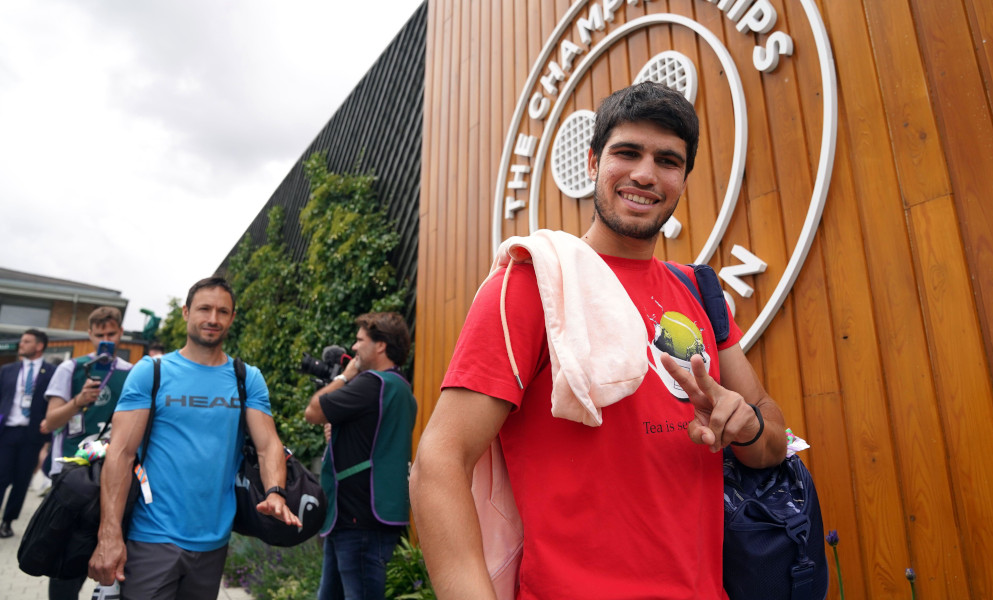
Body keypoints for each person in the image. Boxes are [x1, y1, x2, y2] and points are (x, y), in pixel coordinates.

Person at [409, 82, 789, 599]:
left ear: (683, 180)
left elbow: (769, 439)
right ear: (592, 163)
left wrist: (744, 425)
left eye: (668, 160)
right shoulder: (534, 284)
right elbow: (440, 460)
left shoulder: (697, 290)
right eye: (627, 152)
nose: (645, 174)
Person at [88, 277, 300, 600]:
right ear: (186, 312)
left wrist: (275, 492)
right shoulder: (152, 372)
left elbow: (268, 444)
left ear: (231, 318)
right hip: (152, 537)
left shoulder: (247, 378)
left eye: (222, 311)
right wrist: (109, 535)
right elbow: (121, 453)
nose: (213, 319)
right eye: (204, 309)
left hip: (214, 542)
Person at [304, 312, 417, 600]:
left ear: (380, 345)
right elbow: (374, 439)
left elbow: (313, 411)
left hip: (358, 517)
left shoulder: (372, 384)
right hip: (363, 516)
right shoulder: (402, 389)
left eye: (359, 341)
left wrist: (345, 375)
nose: (353, 349)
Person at [44, 307, 133, 599]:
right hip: (71, 478)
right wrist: (78, 401)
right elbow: (50, 422)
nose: (105, 339)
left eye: (111, 334)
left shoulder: (132, 373)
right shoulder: (70, 369)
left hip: (114, 476)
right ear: (90, 335)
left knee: (111, 561)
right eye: (99, 335)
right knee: (66, 566)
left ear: (120, 333)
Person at [0, 329, 56, 538]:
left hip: (32, 435)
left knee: (21, 480)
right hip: (7, 431)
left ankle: (7, 521)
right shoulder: (8, 370)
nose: (20, 344)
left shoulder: (51, 372)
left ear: (39, 346)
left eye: (26, 341)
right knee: (1, 476)